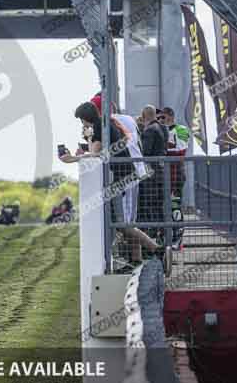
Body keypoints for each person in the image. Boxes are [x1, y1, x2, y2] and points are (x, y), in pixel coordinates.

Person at [60, 102, 160, 263]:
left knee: (122, 223)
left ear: (86, 118)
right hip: (125, 175)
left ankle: (157, 249)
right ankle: (136, 259)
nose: (82, 124)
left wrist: (73, 158)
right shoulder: (104, 124)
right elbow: (96, 152)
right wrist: (88, 139)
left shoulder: (99, 127)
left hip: (124, 177)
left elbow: (95, 153)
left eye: (82, 120)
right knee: (125, 223)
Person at [139, 105, 168, 239]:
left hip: (151, 174)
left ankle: (153, 238)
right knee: (159, 205)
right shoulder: (163, 128)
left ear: (144, 117)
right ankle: (163, 235)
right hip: (161, 172)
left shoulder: (149, 130)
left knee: (150, 205)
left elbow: (145, 152)